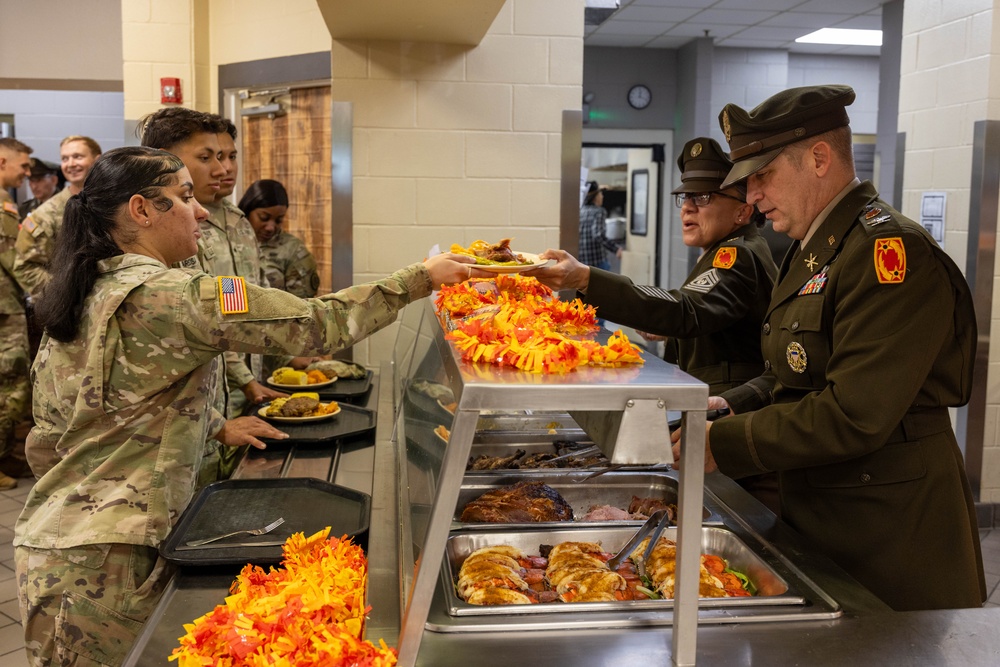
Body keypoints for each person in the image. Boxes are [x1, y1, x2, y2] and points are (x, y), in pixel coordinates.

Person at [13, 146, 482, 666]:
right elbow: (313, 323)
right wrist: (418, 278)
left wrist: (209, 424)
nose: (203, 212)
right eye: (184, 196)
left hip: (66, 545)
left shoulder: (88, 287)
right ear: (142, 210)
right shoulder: (182, 294)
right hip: (107, 564)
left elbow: (75, 418)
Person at [674, 84, 985, 612]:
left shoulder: (889, 254)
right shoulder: (815, 249)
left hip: (890, 534)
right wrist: (735, 404)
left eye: (762, 176)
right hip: (829, 512)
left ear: (819, 158)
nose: (751, 197)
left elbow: (854, 413)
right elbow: (796, 369)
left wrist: (721, 444)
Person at [529, 138, 780, 511]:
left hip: (729, 428)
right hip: (716, 425)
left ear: (744, 211)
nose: (688, 208)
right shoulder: (727, 251)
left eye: (705, 198)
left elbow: (686, 310)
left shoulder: (736, 254)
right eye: (686, 198)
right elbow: (707, 316)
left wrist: (585, 278)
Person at [139, 109, 283, 438]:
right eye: (207, 157)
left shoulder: (237, 219)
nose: (224, 168)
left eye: (227, 156)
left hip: (233, 393)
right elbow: (200, 323)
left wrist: (248, 379)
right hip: (190, 413)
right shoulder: (163, 231)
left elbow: (239, 304)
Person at [13, 135, 102, 300]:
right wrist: (66, 293)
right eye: (65, 158)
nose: (71, 164)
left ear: (97, 160)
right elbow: (25, 267)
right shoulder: (46, 214)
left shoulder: (115, 204)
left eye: (78, 157)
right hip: (74, 312)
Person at [0, 137, 32, 491]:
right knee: (11, 387)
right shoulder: (2, 207)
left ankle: (10, 455)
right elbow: (15, 262)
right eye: (22, 165)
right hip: (5, 310)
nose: (26, 172)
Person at [239, 179, 320, 298]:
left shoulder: (293, 250)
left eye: (279, 220)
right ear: (247, 210)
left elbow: (302, 307)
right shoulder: (230, 241)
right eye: (264, 218)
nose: (271, 227)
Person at [579, 180, 622, 272]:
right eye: (601, 194)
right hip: (597, 263)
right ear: (596, 197)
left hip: (582, 263)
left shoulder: (580, 211)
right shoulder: (599, 211)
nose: (602, 196)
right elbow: (598, 234)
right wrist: (616, 249)